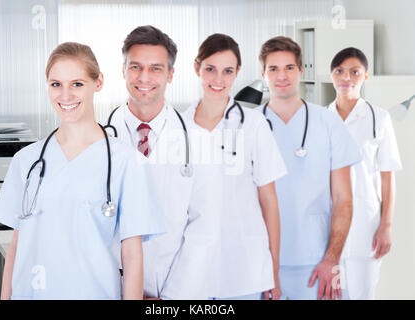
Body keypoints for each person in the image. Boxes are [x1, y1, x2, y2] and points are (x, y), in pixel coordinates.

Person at [0, 42, 164, 300]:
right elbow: (17, 245)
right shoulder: (26, 161)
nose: (66, 95)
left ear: (99, 82)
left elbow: (132, 254)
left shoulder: (126, 162)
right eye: (56, 84)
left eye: (77, 84)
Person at [182, 33, 287, 300]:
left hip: (246, 267)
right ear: (197, 68)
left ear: (237, 72)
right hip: (191, 267)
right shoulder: (178, 125)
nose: (218, 80)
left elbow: (269, 200)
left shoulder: (253, 125)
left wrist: (272, 270)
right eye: (210, 69)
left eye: (227, 71)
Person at [258, 36, 362, 300]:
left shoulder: (328, 122)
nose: (282, 76)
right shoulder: (250, 125)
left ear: (301, 71)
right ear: (263, 73)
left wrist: (331, 258)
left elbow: (343, 199)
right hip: (261, 263)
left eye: (289, 68)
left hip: (319, 262)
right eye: (274, 69)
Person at [105, 26, 200, 299]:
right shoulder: (99, 140)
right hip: (111, 287)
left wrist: (171, 296)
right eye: (136, 67)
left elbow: (203, 228)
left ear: (171, 74)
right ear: (123, 70)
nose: (144, 77)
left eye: (156, 68)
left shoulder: (196, 140)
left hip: (176, 291)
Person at [328, 47, 402, 299]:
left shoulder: (378, 118)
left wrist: (386, 225)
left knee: (362, 295)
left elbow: (387, 176)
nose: (346, 77)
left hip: (365, 226)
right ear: (332, 75)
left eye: (354, 72)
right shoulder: (320, 119)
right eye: (339, 71)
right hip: (327, 227)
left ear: (365, 77)